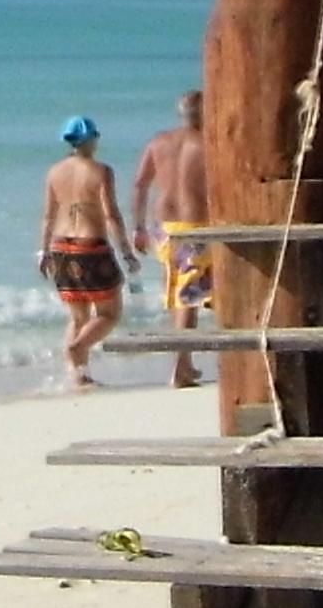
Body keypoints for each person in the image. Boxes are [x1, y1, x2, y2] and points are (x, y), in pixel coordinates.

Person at [126, 89, 214, 389]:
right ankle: (179, 367)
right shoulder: (208, 144)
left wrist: (137, 228)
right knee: (189, 300)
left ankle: (185, 364)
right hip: (195, 228)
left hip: (162, 229)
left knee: (180, 296)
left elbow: (140, 185)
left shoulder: (158, 142)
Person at [39, 116, 129, 387]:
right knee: (109, 314)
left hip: (60, 247)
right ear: (90, 140)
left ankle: (78, 375)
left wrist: (42, 251)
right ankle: (77, 349)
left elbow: (47, 216)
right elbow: (111, 214)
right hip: (91, 247)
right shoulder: (101, 171)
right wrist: (125, 250)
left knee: (79, 316)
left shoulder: (54, 172)